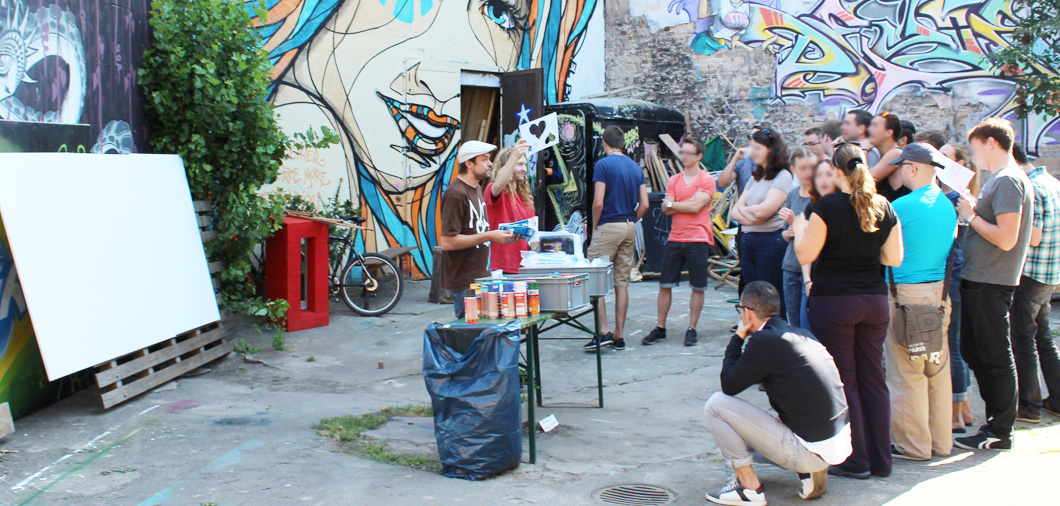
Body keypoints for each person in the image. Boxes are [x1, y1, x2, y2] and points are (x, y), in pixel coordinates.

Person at [794, 142, 903, 479]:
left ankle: (856, 460)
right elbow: (894, 258)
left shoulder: (827, 207)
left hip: (835, 302)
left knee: (846, 380)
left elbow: (804, 254)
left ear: (838, 171)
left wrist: (800, 229)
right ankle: (881, 460)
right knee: (874, 379)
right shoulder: (883, 206)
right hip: (872, 300)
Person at [704, 282, 850, 506]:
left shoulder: (765, 340)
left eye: (740, 309)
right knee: (753, 423)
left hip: (810, 450)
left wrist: (737, 339)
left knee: (716, 406)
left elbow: (729, 385)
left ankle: (749, 489)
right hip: (835, 443)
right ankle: (811, 471)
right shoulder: (798, 334)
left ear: (747, 312)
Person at [954, 118, 1034, 451]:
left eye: (975, 147)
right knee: (977, 351)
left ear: (991, 143)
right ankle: (995, 424)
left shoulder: (1008, 181)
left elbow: (1006, 238)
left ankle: (1001, 429)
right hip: (981, 279)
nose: (974, 156)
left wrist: (972, 216)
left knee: (995, 356)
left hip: (991, 281)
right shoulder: (1002, 180)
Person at [885, 143, 959, 461]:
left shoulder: (902, 207)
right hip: (939, 295)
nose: (899, 171)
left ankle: (914, 445)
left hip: (906, 296)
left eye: (901, 167)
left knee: (907, 372)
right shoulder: (947, 205)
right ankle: (942, 443)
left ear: (913, 168)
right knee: (936, 369)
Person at [643, 138, 717, 347]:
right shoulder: (674, 179)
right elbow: (665, 208)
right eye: (682, 152)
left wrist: (674, 204)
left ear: (699, 156)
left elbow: (695, 207)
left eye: (688, 153)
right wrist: (681, 204)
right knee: (665, 284)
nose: (684, 156)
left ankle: (691, 328)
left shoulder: (706, 179)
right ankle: (660, 327)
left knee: (698, 286)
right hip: (676, 237)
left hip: (698, 238)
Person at [583, 126, 648, 352]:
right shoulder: (635, 167)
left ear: (604, 143)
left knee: (595, 279)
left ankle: (603, 331)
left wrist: (595, 225)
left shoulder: (603, 165)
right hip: (629, 226)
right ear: (622, 143)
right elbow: (646, 204)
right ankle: (619, 335)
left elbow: (598, 202)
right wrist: (632, 219)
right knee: (622, 282)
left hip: (608, 225)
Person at [1009, 144, 1060, 423]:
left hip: (1031, 274)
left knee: (1023, 339)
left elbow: (1035, 236)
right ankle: (1057, 400)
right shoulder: (1052, 182)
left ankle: (1029, 406)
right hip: (1050, 273)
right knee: (1043, 337)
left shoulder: (1034, 188)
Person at [440, 141, 516, 318]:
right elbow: (448, 242)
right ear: (469, 164)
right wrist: (489, 235)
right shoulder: (455, 194)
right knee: (471, 338)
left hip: (481, 277)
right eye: (484, 159)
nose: (490, 164)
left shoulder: (477, 188)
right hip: (465, 282)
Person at [939, 142, 980, 432]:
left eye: (945, 157)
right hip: (954, 276)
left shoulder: (954, 198)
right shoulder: (954, 197)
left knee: (953, 346)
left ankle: (956, 412)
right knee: (955, 345)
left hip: (952, 277)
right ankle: (963, 409)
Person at [731, 128, 793, 319]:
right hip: (748, 241)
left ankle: (775, 338)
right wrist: (753, 214)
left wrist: (748, 211)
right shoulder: (755, 177)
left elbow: (765, 212)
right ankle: (757, 336)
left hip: (770, 244)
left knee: (770, 296)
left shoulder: (782, 176)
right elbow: (734, 212)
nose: (752, 152)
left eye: (757, 148)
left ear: (770, 150)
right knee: (753, 295)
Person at [779, 148, 817, 329]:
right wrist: (787, 233)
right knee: (793, 320)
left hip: (813, 267)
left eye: (811, 167)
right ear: (793, 169)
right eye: (803, 168)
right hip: (791, 265)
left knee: (810, 322)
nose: (808, 173)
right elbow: (785, 233)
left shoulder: (820, 196)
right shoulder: (792, 195)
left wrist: (796, 223)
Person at [485, 139, 532, 274]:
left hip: (523, 265)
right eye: (519, 164)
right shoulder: (494, 190)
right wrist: (515, 156)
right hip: (502, 266)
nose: (524, 169)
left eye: (525, 164)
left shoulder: (523, 195)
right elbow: (498, 184)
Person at [866, 112, 908, 202]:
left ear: (888, 133)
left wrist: (863, 149)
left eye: (875, 126)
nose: (869, 129)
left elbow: (863, 181)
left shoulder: (896, 154)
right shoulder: (885, 155)